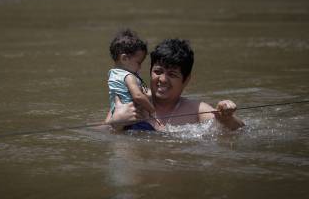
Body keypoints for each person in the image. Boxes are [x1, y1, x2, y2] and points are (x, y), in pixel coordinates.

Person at [105, 38, 245, 131]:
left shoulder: (196, 110)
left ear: (186, 80)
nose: (163, 79)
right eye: (158, 71)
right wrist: (114, 123)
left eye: (172, 75)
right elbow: (94, 131)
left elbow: (241, 130)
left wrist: (227, 118)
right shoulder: (130, 104)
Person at [107, 29, 159, 129]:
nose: (140, 67)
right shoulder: (129, 76)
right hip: (134, 120)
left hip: (120, 117)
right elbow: (138, 96)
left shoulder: (112, 74)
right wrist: (152, 110)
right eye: (138, 63)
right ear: (124, 59)